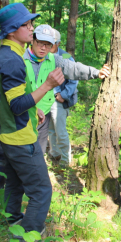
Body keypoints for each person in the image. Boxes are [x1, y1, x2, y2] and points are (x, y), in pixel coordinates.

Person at [0, 6, 109, 236]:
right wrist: (48, 86)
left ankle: (13, 224)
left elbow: (5, 101)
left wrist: (33, 108)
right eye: (26, 25)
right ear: (13, 30)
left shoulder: (4, 55)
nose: (30, 28)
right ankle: (29, 241)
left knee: (15, 183)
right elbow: (15, 105)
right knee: (42, 190)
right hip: (21, 134)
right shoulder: (15, 60)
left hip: (13, 130)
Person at [24, 24, 109, 154]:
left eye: (48, 44)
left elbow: (73, 68)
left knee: (38, 153)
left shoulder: (55, 59)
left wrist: (97, 73)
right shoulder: (19, 59)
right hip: (23, 113)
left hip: (42, 116)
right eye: (40, 42)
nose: (43, 47)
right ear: (32, 40)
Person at [48, 29, 78, 166]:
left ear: (58, 43)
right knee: (50, 129)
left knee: (60, 130)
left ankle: (65, 159)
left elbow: (74, 79)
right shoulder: (44, 55)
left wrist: (63, 95)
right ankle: (55, 153)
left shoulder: (66, 57)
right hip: (45, 98)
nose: (48, 45)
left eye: (51, 43)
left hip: (59, 99)